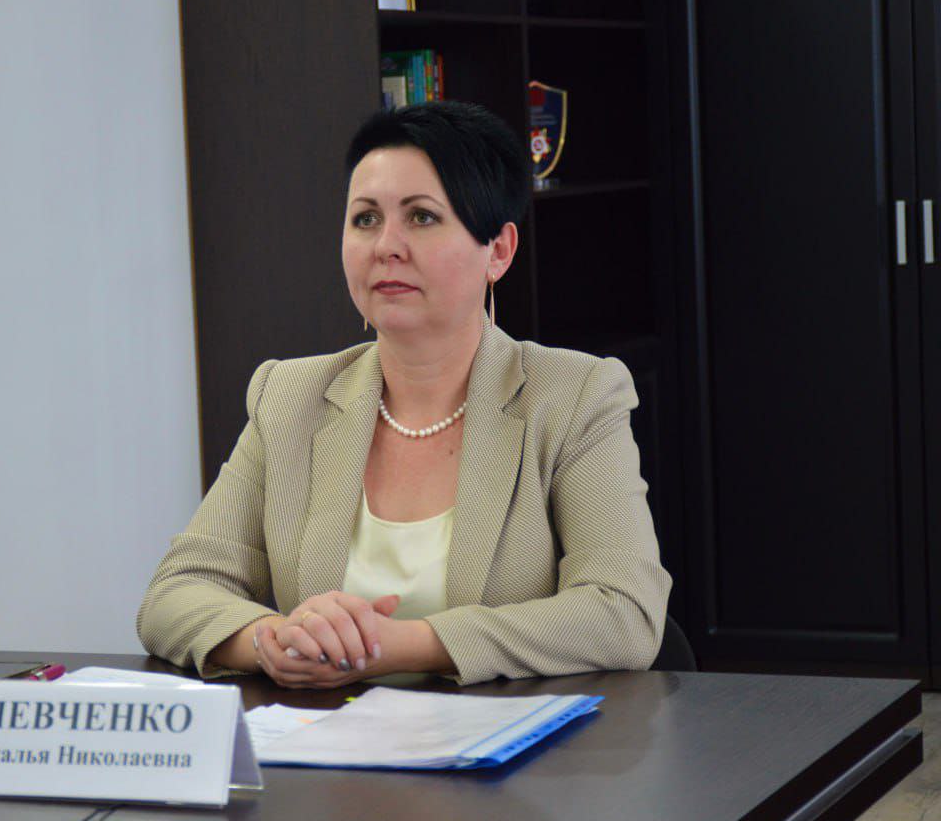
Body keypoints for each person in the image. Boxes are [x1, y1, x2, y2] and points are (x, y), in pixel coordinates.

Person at [137, 101, 672, 688]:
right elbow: (174, 592)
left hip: (507, 740)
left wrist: (403, 646)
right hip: (328, 737)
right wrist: (273, 640)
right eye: (365, 218)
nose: (386, 245)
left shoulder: (573, 397)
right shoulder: (289, 396)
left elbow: (624, 612)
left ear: (498, 250)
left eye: (421, 217)